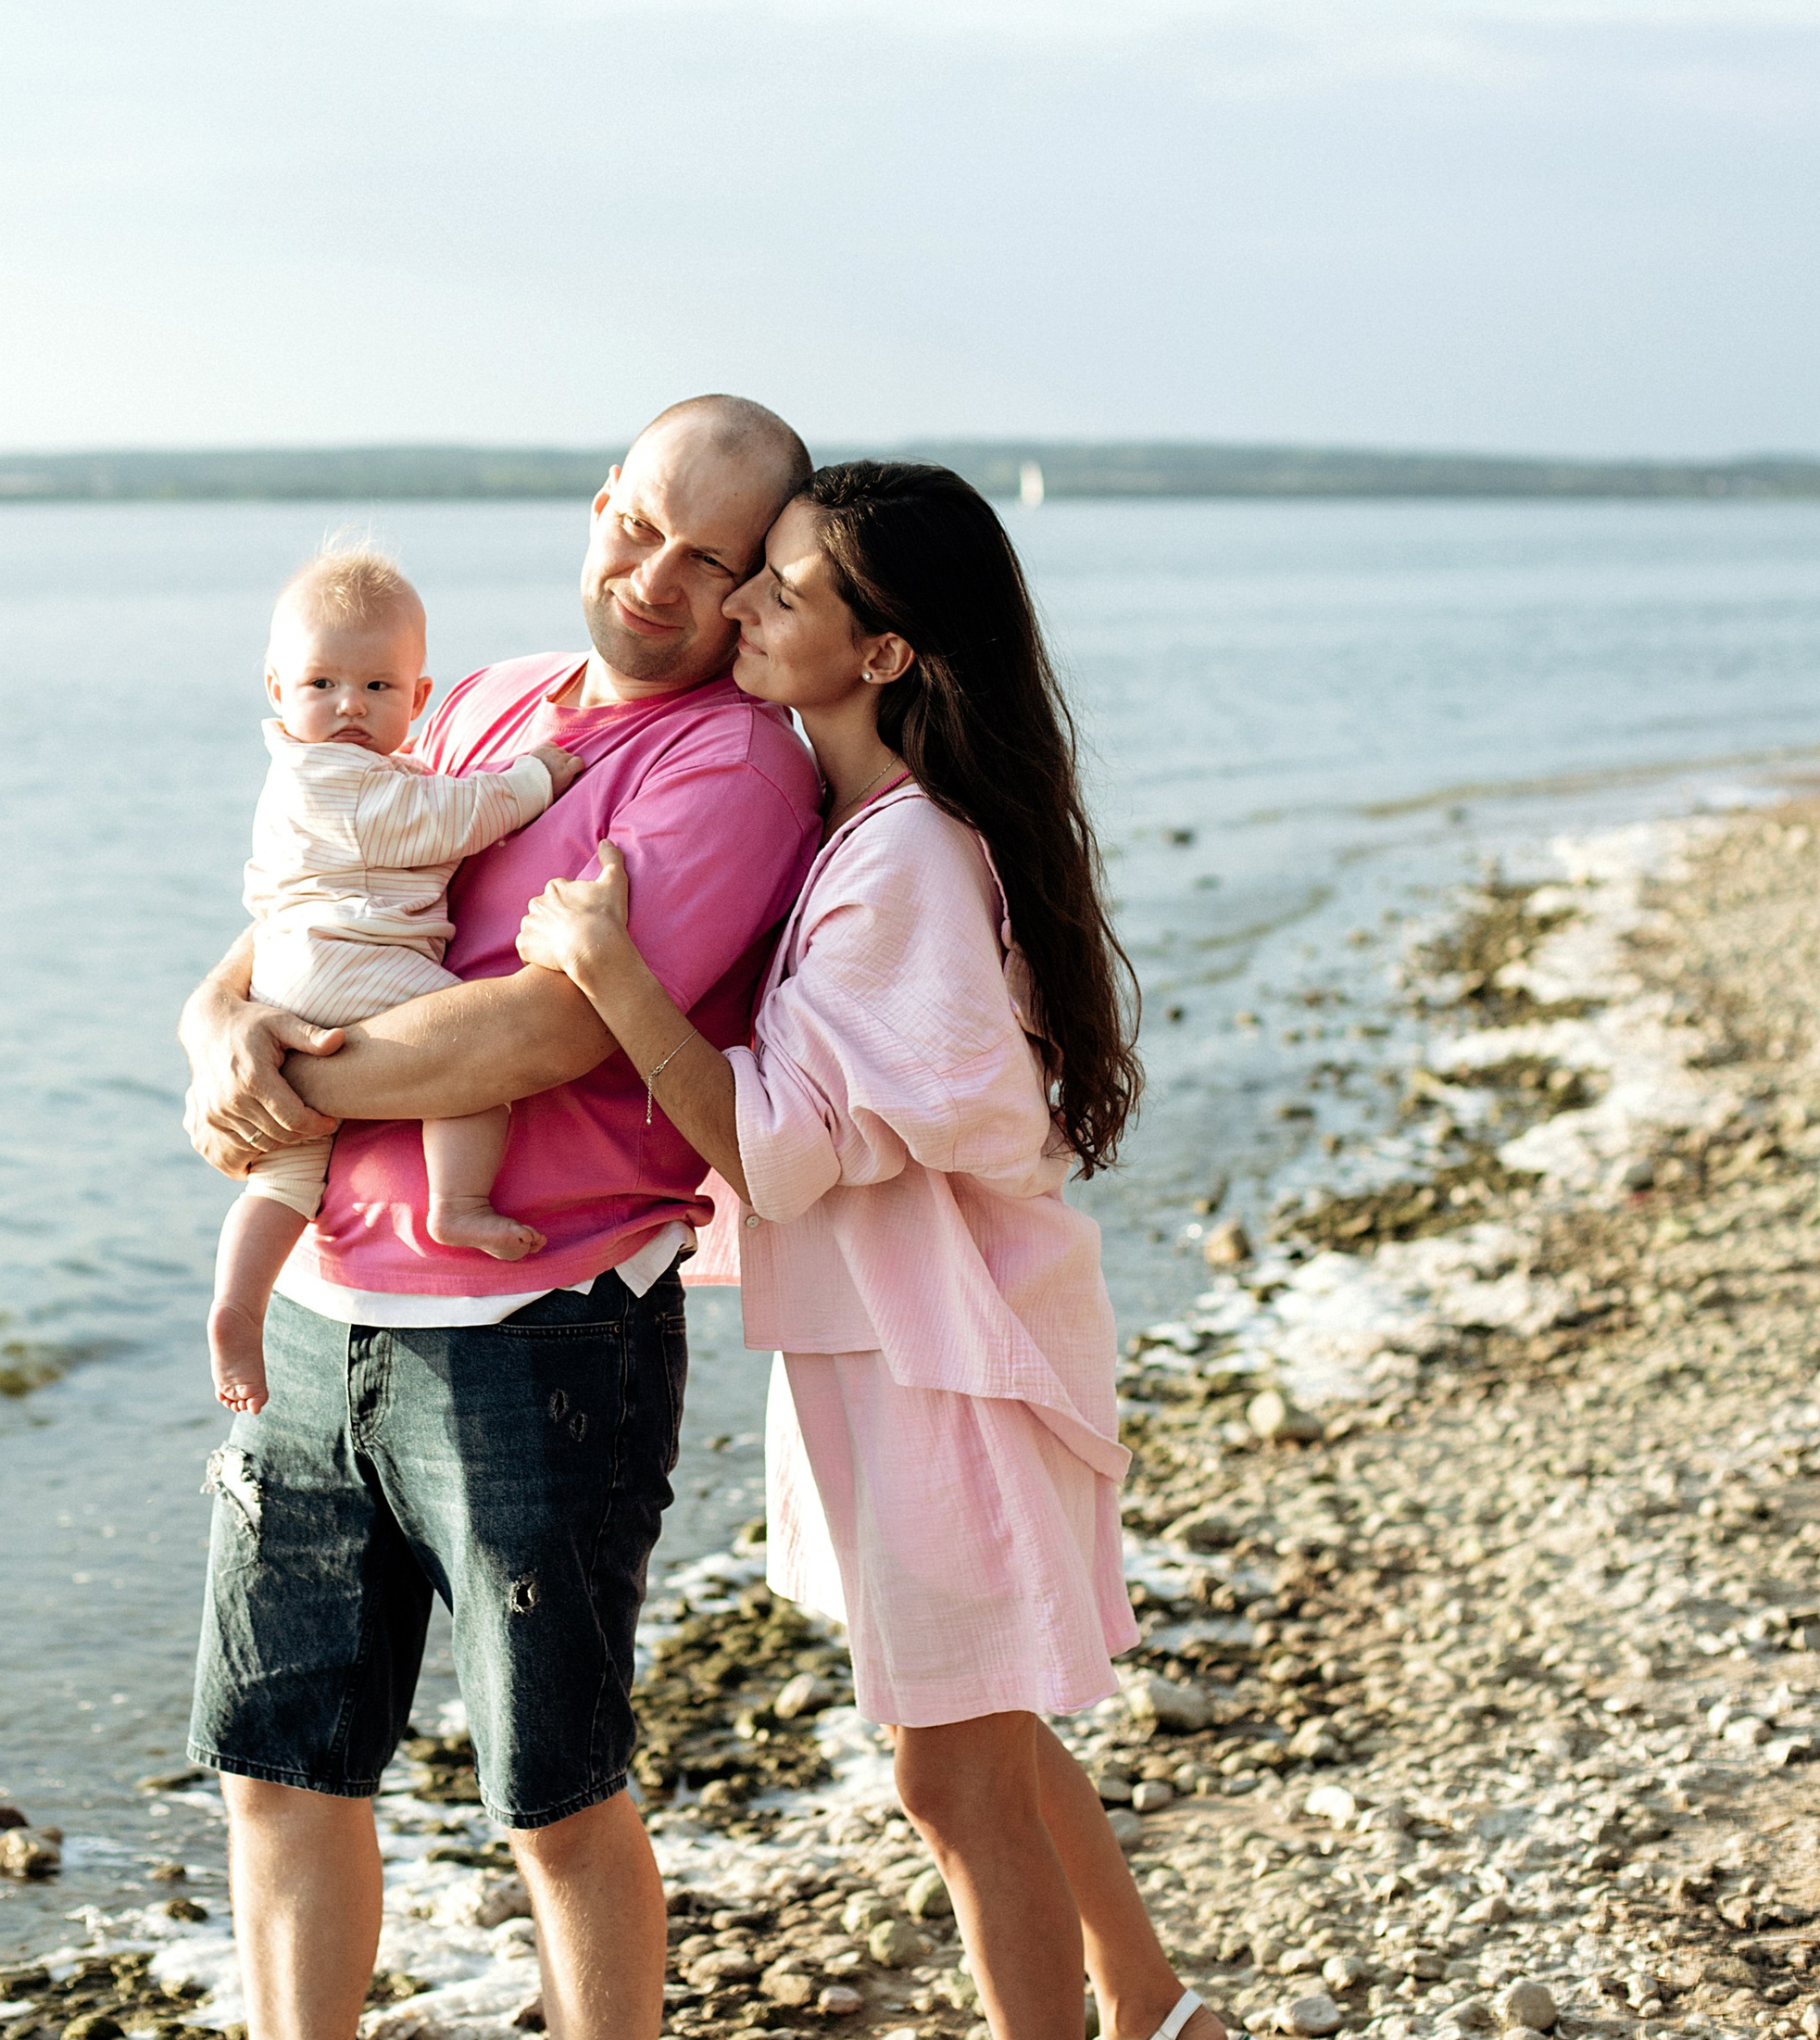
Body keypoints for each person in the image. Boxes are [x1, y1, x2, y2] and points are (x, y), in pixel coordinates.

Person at [516, 460, 1223, 2040]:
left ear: (886, 651)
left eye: (784, 587)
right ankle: (1161, 2011)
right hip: (901, 1340)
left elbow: (773, 1139)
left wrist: (605, 968)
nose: (743, 606)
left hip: (944, 1357)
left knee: (949, 1772)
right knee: (988, 1727)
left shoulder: (902, 857)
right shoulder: (869, 830)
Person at [176, 395, 824, 2040]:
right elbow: (289, 921)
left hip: (540, 1340)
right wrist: (216, 1036)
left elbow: (548, 1029)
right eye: (640, 525)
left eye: (712, 560)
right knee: (280, 1768)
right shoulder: (461, 700)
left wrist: (286, 1095)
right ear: (599, 503)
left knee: (553, 1797)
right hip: (324, 1322)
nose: (658, 577)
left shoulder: (731, 766)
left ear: (753, 589)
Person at [205, 546, 584, 1415]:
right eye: (322, 684)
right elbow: (454, 817)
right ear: (277, 689)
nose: (348, 706)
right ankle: (457, 1204)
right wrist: (537, 774)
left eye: (377, 689)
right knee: (471, 1057)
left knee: (289, 1172)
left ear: (419, 701)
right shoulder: (342, 780)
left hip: (291, 976)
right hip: (353, 963)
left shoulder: (311, 775)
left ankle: (237, 1302)